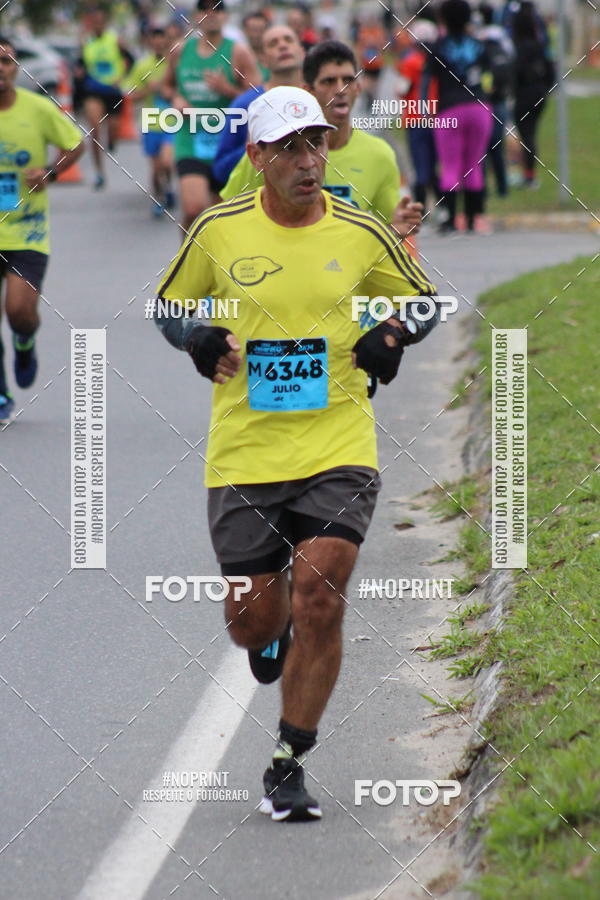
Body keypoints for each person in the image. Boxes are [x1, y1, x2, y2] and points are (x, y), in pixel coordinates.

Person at [153, 85, 440, 821]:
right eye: (289, 149)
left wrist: (392, 333)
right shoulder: (218, 230)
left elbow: (424, 299)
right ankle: (269, 630)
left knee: (322, 589)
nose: (308, 161)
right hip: (246, 451)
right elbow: (167, 304)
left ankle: (289, 759)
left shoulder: (359, 230)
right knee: (254, 622)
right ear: (257, 157)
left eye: (314, 143)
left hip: (338, 441)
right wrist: (196, 337)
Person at [220, 41, 423, 243]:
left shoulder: (379, 154)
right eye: (328, 81)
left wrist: (397, 230)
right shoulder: (273, 152)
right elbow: (228, 219)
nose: (340, 90)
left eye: (348, 80)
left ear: (358, 88)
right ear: (308, 90)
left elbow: (392, 230)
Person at [0, 36, 83, 424]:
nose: (0, 69)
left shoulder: (37, 108)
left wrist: (50, 172)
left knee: (18, 311)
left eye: (6, 61)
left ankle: (24, 340)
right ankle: (1, 392)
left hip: (27, 231)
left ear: (15, 68)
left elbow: (75, 144)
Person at [161, 0, 261, 233]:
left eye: (217, 9)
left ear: (225, 16)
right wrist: (175, 99)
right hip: (191, 139)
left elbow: (258, 97)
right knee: (193, 209)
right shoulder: (181, 51)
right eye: (205, 9)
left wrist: (227, 90)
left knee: (220, 218)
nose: (211, 14)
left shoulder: (238, 52)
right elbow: (166, 86)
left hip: (226, 142)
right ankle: (187, 253)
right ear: (196, 16)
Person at [422, 0, 493, 233]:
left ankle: (450, 219)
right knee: (474, 165)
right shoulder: (479, 45)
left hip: (450, 109)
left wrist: (424, 109)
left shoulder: (437, 47)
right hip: (479, 107)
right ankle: (473, 218)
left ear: (443, 19)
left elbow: (426, 81)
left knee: (450, 166)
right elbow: (491, 76)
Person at [212, 23, 305, 187]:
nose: (282, 46)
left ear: (302, 52)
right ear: (263, 60)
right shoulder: (244, 105)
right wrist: (253, 149)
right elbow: (220, 169)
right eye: (273, 44)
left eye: (288, 40)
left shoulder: (318, 99)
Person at [127, 27, 175, 217]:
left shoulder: (175, 64)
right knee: (156, 168)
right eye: (155, 42)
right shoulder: (142, 66)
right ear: (150, 43)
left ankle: (168, 186)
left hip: (173, 121)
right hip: (151, 121)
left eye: (162, 42)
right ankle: (159, 197)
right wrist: (149, 90)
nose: (159, 45)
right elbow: (131, 95)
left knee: (167, 162)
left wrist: (168, 91)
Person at [80, 6, 130, 190]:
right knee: (95, 129)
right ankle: (99, 173)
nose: (98, 25)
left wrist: (122, 77)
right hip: (93, 90)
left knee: (113, 130)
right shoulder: (86, 41)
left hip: (112, 91)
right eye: (95, 22)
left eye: (101, 22)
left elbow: (130, 60)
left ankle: (112, 141)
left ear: (105, 23)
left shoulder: (115, 40)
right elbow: (80, 64)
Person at [397, 19, 440, 213]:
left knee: (420, 167)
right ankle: (443, 208)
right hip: (437, 119)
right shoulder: (439, 61)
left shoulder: (410, 61)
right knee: (435, 166)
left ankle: (421, 210)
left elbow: (401, 89)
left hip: (415, 120)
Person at [512, 2, 554, 188]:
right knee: (530, 134)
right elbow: (550, 70)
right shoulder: (541, 46)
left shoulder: (518, 48)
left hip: (524, 95)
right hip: (539, 94)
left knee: (526, 135)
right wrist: (545, 89)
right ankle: (528, 174)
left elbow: (516, 73)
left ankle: (529, 176)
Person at [478, 2, 515, 198]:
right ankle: (502, 188)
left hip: (485, 102)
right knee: (497, 147)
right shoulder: (502, 43)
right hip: (500, 101)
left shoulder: (480, 45)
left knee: (482, 149)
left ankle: (482, 188)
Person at [242, 10, 270, 83]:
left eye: (261, 30)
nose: (257, 35)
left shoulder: (275, 56)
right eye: (253, 30)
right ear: (245, 31)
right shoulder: (239, 58)